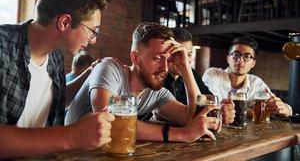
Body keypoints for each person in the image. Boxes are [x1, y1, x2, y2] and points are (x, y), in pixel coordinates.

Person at [0, 0, 115, 158]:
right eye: (93, 31)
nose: (93, 40)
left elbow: (53, 99)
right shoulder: (3, 47)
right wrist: (72, 136)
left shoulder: (55, 56)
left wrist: (89, 73)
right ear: (64, 23)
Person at [66, 22, 221, 142]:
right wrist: (181, 134)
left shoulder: (157, 94)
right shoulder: (110, 68)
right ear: (135, 58)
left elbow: (192, 119)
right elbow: (110, 121)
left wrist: (185, 67)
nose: (165, 68)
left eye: (169, 59)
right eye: (157, 58)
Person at [202, 36, 292, 118]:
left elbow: (276, 105)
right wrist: (253, 111)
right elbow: (212, 107)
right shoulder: (213, 74)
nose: (240, 61)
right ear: (228, 58)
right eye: (236, 55)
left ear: (253, 63)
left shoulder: (255, 83)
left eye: (247, 56)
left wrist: (285, 109)